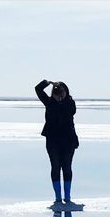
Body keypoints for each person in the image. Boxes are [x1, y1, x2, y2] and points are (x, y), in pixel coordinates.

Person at [34, 78, 80, 210]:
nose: (59, 97)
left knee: (66, 167)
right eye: (56, 94)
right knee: (55, 167)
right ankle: (58, 197)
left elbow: (69, 113)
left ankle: (68, 197)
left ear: (66, 92)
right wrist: (48, 82)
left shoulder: (70, 103)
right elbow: (37, 89)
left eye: (61, 94)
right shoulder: (49, 103)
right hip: (53, 141)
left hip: (68, 141)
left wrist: (61, 98)